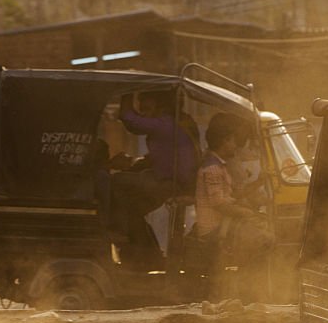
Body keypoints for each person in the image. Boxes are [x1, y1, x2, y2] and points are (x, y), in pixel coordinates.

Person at [110, 90, 199, 243]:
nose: (143, 113)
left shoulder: (165, 123)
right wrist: (135, 163)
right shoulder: (179, 121)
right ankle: (146, 252)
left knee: (115, 181)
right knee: (134, 211)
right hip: (178, 182)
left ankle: (118, 231)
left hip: (169, 184)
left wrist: (126, 90)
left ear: (160, 105)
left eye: (146, 109)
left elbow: (130, 120)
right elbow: (164, 156)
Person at [195, 113, 274, 261]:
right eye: (233, 141)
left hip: (225, 224)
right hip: (215, 229)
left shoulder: (219, 165)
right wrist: (245, 213)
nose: (236, 146)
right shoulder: (212, 168)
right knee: (265, 240)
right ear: (225, 141)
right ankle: (245, 280)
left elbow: (233, 196)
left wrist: (259, 182)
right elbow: (218, 203)